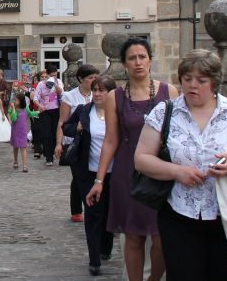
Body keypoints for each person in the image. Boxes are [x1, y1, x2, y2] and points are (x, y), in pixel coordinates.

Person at [135, 49, 227, 280]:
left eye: (201, 80)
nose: (193, 85)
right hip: (179, 215)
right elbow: (141, 158)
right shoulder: (165, 112)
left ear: (215, 82)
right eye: (187, 79)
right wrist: (176, 171)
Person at [86, 37, 178, 281]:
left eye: (142, 57)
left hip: (160, 171)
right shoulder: (114, 97)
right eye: (132, 58)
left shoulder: (169, 92)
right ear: (124, 63)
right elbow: (110, 140)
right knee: (133, 235)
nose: (138, 63)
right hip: (128, 171)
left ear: (150, 60)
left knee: (161, 237)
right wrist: (99, 180)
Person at [63, 75, 117, 276]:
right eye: (95, 90)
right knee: (93, 213)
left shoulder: (118, 113)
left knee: (108, 212)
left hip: (114, 172)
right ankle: (94, 258)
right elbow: (65, 126)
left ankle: (106, 248)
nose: (97, 94)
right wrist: (76, 127)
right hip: (87, 170)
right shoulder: (84, 111)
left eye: (102, 90)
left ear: (111, 93)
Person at [56, 64, 100, 222]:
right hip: (75, 143)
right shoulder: (70, 96)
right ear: (81, 79)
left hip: (94, 143)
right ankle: (78, 209)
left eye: (96, 77)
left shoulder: (101, 94)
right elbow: (63, 121)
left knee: (90, 176)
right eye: (91, 78)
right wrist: (59, 143)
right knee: (79, 176)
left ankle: (92, 209)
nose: (94, 81)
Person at [32, 65, 64, 166]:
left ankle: (55, 151)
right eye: (51, 75)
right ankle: (48, 157)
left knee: (56, 133)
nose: (53, 76)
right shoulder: (41, 84)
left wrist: (54, 83)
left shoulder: (58, 82)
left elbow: (61, 93)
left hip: (56, 110)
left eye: (55, 75)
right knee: (46, 134)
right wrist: (39, 106)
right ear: (47, 74)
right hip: (45, 111)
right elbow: (35, 98)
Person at [8, 93, 29, 172]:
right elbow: (13, 119)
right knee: (15, 147)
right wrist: (13, 108)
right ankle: (15, 160)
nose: (14, 101)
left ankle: (25, 165)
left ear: (21, 101)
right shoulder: (13, 109)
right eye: (14, 100)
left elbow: (30, 113)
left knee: (23, 148)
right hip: (15, 131)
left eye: (16, 100)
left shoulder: (25, 108)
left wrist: (38, 112)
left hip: (23, 131)